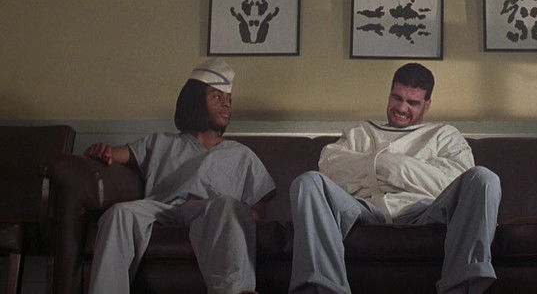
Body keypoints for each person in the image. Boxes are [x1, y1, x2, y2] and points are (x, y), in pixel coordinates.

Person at [289, 63, 501, 294]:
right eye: (397, 98)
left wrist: (384, 166)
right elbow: (331, 169)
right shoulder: (360, 132)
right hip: (362, 209)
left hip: (425, 210)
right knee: (307, 182)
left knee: (484, 178)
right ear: (389, 94)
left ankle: (460, 289)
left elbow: (452, 182)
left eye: (413, 103)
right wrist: (399, 168)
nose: (401, 108)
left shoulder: (445, 135)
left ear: (427, 105)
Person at [84, 58, 275, 294]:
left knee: (228, 205)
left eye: (229, 99)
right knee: (119, 213)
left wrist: (229, 216)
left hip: (208, 213)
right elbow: (114, 154)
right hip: (161, 209)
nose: (226, 104)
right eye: (217, 97)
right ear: (195, 102)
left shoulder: (242, 154)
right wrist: (102, 151)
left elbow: (257, 213)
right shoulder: (161, 142)